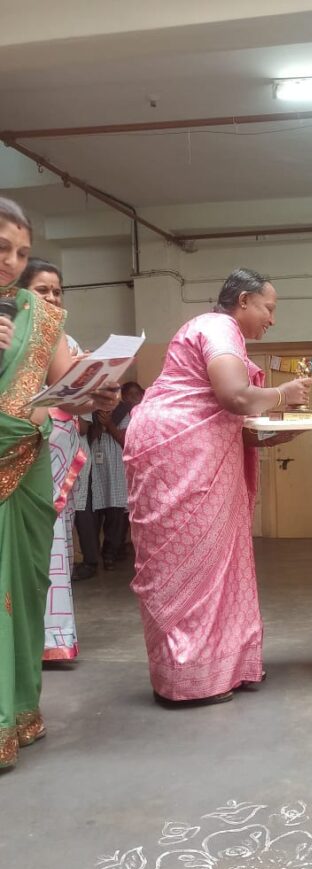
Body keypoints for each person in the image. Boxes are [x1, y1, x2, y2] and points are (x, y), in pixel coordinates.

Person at [123, 268, 311, 707]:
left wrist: (272, 437)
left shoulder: (222, 334)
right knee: (191, 562)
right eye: (268, 308)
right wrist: (283, 395)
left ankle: (227, 665)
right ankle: (187, 678)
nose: (272, 319)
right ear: (243, 300)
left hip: (195, 450)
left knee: (223, 561)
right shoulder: (217, 327)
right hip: (179, 455)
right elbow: (234, 397)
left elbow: (225, 417)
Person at [0, 197, 119, 770]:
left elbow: (65, 388)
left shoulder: (41, 316)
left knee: (22, 591)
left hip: (26, 466)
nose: (12, 261)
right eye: (2, 248)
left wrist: (100, 390)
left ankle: (19, 711)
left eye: (21, 252)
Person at [16, 258, 86, 660]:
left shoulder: (65, 339)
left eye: (57, 291)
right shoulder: (10, 335)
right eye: (42, 289)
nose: (52, 297)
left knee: (54, 543)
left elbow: (74, 399)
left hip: (56, 455)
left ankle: (53, 638)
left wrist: (96, 383)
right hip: (19, 451)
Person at [73, 380, 143, 578]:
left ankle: (110, 554)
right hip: (95, 470)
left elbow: (126, 440)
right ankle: (93, 557)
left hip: (117, 470)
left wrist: (109, 424)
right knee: (94, 514)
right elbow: (87, 436)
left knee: (116, 514)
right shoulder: (90, 412)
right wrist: (99, 425)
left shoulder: (125, 411)